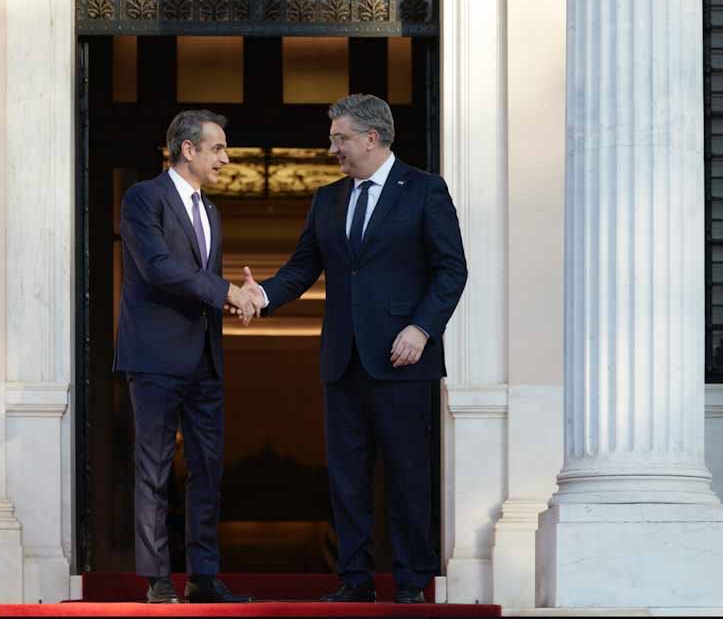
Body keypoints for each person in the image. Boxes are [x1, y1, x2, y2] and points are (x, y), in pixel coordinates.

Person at [240, 94, 468, 603]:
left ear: (372, 137)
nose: (332, 149)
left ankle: (410, 584)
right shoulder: (327, 199)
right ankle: (355, 580)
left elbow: (451, 269)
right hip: (342, 359)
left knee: (407, 474)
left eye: (340, 139)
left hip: (403, 358)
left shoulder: (425, 190)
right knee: (347, 477)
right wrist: (263, 295)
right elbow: (303, 267)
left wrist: (421, 329)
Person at [114, 110, 261, 603]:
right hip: (154, 357)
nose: (226, 158)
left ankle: (204, 577)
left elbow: (201, 285)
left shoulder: (211, 212)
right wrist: (224, 291)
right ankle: (157, 580)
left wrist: (234, 299)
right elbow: (157, 267)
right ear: (188, 149)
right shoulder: (143, 198)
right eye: (217, 148)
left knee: (208, 470)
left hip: (204, 360)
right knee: (154, 470)